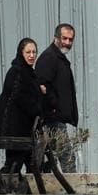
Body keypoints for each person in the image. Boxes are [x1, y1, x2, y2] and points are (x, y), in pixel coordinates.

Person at [0, 37, 46, 174]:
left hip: (23, 130)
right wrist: (38, 110)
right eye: (28, 52)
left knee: (30, 164)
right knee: (14, 163)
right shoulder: (17, 72)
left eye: (34, 52)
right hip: (14, 129)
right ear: (21, 53)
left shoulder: (27, 71)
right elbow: (20, 97)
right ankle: (4, 190)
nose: (32, 55)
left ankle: (27, 192)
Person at [34, 22, 79, 173]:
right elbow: (41, 86)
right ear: (56, 38)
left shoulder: (57, 58)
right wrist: (53, 107)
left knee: (49, 158)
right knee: (67, 158)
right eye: (64, 38)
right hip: (52, 119)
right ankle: (73, 190)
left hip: (56, 118)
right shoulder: (49, 58)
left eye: (70, 39)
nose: (67, 42)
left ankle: (41, 185)